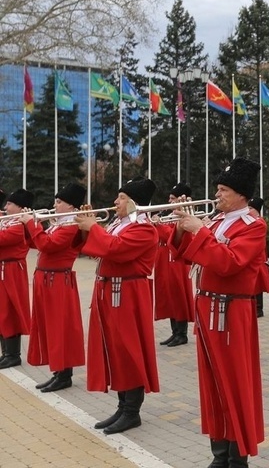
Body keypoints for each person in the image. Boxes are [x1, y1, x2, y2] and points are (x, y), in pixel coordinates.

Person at [170, 157, 269, 467]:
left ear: (241, 194)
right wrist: (181, 228)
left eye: (224, 189)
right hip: (207, 307)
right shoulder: (215, 220)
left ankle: (237, 456)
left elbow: (229, 263)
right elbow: (183, 256)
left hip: (231, 311)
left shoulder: (253, 225)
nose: (217, 194)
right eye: (218, 188)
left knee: (235, 383)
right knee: (212, 383)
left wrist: (199, 230)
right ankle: (219, 452)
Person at [75, 177, 160, 435]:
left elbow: (115, 249)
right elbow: (95, 250)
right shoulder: (118, 223)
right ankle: (123, 406)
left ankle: (132, 411)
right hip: (111, 290)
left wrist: (94, 227)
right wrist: (87, 228)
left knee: (129, 350)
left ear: (134, 201)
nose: (115, 202)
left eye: (121, 197)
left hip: (128, 292)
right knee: (114, 349)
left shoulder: (143, 228)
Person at [22, 183, 86, 391]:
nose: (54, 204)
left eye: (59, 202)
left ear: (71, 206)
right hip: (46, 279)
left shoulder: (71, 225)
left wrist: (33, 226)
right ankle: (57, 371)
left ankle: (64, 374)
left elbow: (48, 245)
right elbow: (38, 244)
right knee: (49, 327)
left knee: (60, 328)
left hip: (58, 281)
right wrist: (27, 227)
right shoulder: (59, 223)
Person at [153, 182, 195, 347]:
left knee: (178, 296)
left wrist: (158, 225)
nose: (169, 202)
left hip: (177, 261)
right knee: (169, 296)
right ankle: (174, 332)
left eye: (173, 198)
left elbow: (172, 236)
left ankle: (181, 333)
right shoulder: (169, 216)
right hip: (164, 259)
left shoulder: (184, 217)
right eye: (169, 198)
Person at [0, 188, 34, 369]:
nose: (6, 207)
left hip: (13, 269)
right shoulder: (8, 220)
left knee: (10, 310)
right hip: (4, 268)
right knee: (2, 311)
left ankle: (13, 354)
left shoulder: (19, 225)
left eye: (10, 204)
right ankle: (6, 352)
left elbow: (3, 238)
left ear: (21, 208)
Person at [248, 197, 269, 318]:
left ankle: (259, 308)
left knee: (258, 284)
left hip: (259, 257)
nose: (248, 210)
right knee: (253, 283)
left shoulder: (259, 222)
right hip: (254, 256)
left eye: (251, 208)